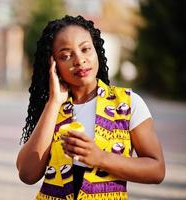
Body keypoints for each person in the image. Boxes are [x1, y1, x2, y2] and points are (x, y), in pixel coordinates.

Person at [16, 15, 165, 200]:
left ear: (96, 51)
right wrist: (53, 103)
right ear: (53, 66)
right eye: (66, 56)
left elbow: (157, 170)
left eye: (86, 49)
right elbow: (27, 174)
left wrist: (100, 158)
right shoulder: (53, 108)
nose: (79, 60)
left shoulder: (127, 103)